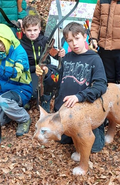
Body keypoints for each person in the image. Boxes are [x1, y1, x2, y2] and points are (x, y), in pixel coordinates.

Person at [37, 22, 108, 152]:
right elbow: (57, 81)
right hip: (64, 111)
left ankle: (99, 127)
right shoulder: (67, 58)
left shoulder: (95, 59)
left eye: (77, 38)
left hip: (84, 111)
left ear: (85, 37)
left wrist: (79, 96)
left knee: (93, 147)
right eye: (70, 40)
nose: (74, 43)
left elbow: (101, 86)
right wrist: (47, 73)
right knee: (63, 140)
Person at [0, 24, 33, 136]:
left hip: (21, 89)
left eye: (0, 43)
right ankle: (17, 109)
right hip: (6, 92)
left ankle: (24, 119)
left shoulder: (20, 52)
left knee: (2, 101)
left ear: (7, 38)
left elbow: (17, 71)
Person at [19, 13, 64, 112]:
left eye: (35, 30)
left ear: (39, 29)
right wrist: (34, 68)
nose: (32, 33)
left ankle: (46, 99)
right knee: (31, 89)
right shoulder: (20, 44)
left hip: (45, 68)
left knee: (53, 77)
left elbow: (53, 54)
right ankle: (26, 97)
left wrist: (59, 54)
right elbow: (21, 64)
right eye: (29, 30)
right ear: (23, 31)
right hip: (29, 70)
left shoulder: (45, 41)